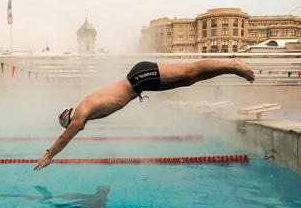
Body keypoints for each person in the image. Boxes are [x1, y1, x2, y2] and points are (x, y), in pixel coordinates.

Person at [34, 59, 255, 171]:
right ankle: (230, 67)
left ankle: (233, 64)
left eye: (72, 126)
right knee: (189, 79)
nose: (77, 129)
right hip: (140, 83)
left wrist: (48, 155)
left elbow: (65, 138)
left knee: (190, 72)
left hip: (139, 77)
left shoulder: (81, 112)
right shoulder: (85, 112)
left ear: (69, 119)